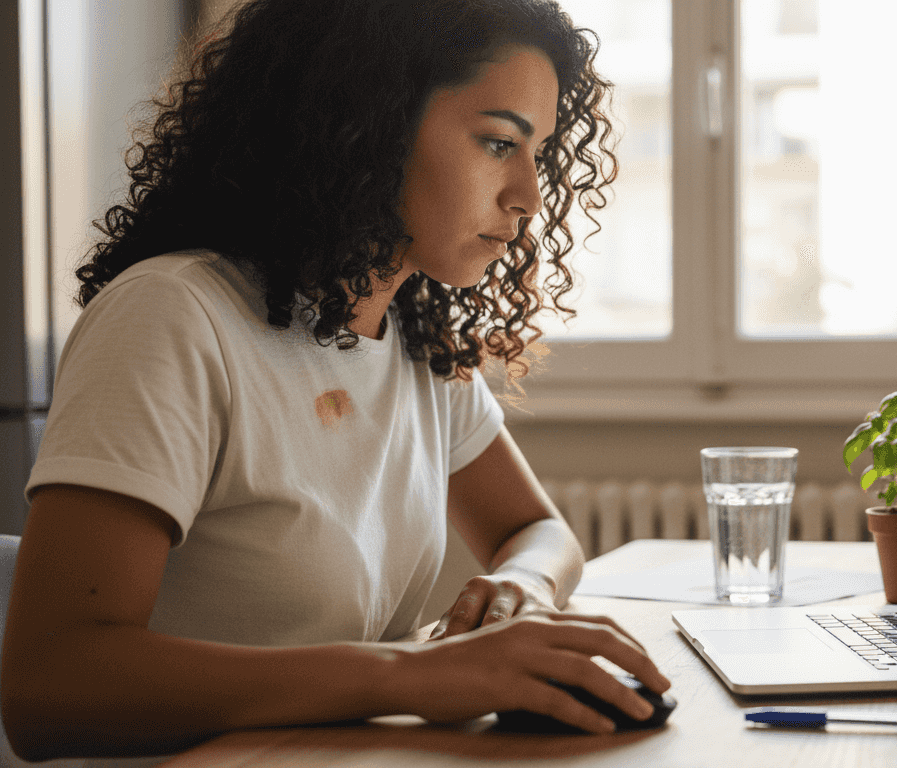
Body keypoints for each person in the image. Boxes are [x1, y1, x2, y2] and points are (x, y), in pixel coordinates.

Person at [0, 0, 669, 764]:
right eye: (496, 142)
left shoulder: (417, 341)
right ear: (366, 123)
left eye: (538, 152)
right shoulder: (174, 317)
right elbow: (49, 687)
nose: (530, 196)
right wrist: (411, 674)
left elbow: (539, 532)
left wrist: (521, 589)